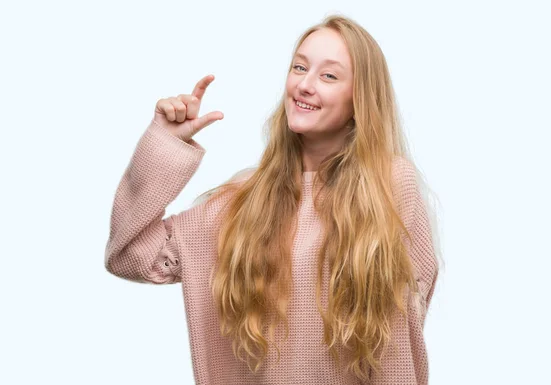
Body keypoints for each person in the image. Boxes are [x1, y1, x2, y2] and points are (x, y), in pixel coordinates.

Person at [105, 14, 442, 385]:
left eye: (328, 75)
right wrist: (166, 143)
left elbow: (407, 325)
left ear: (360, 98)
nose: (305, 85)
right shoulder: (244, 201)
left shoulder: (391, 185)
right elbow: (130, 255)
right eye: (300, 67)